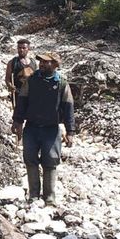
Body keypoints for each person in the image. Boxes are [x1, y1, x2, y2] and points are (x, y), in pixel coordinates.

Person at [11, 52, 75, 205]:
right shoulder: (31, 80)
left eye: (47, 62)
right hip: (32, 127)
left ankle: (49, 197)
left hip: (51, 129)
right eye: (41, 62)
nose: (42, 64)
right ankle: (33, 195)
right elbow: (22, 102)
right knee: (30, 159)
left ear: (55, 64)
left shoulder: (62, 84)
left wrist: (70, 131)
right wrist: (17, 122)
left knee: (51, 161)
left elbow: (68, 107)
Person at [5, 39, 38, 104]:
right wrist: (10, 86)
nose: (21, 50)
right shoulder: (12, 62)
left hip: (31, 94)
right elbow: (7, 79)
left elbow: (36, 78)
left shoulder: (33, 62)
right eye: (19, 48)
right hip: (18, 95)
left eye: (24, 48)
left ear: (28, 49)